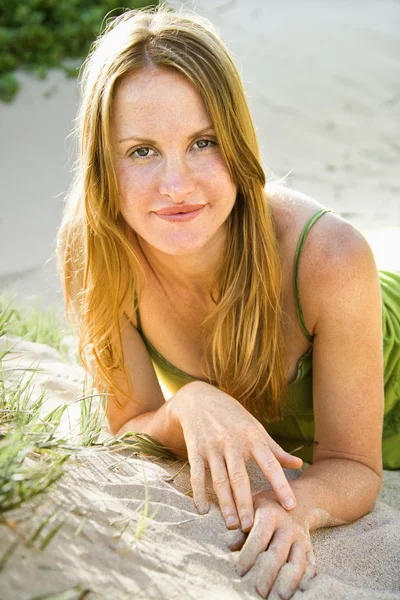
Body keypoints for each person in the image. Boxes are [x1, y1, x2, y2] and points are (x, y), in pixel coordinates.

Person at [57, 6, 400, 598]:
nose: (176, 185)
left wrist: (299, 507)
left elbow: (355, 467)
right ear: (103, 166)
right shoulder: (98, 254)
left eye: (203, 142)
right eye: (141, 151)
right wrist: (190, 402)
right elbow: (130, 424)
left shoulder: (330, 258)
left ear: (238, 145)